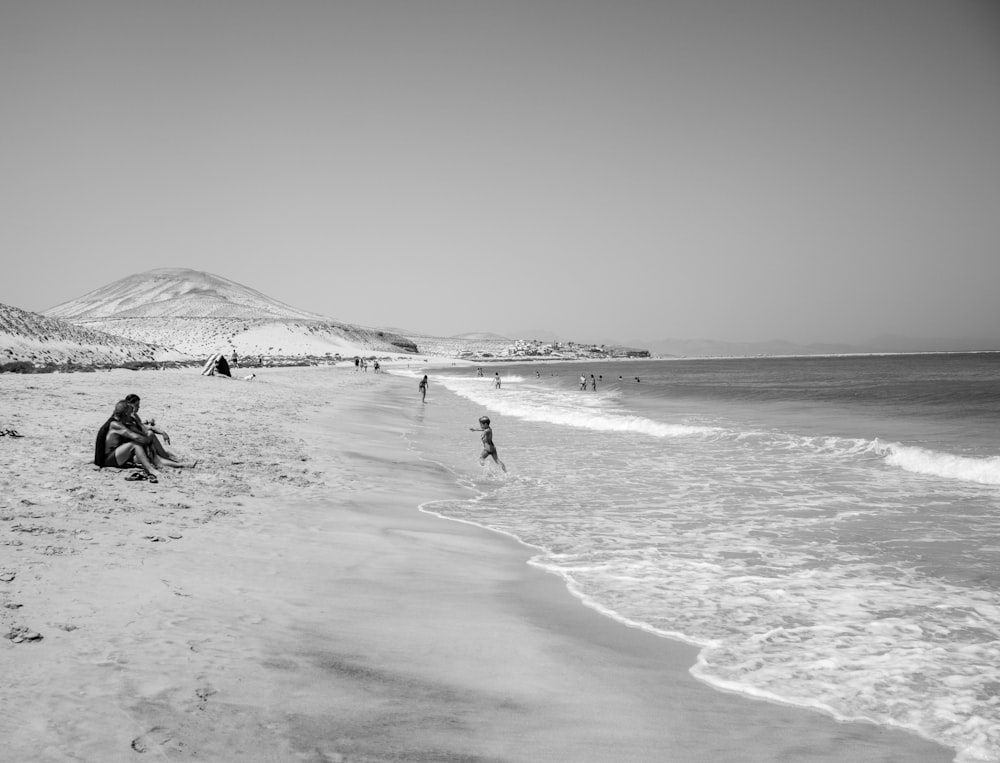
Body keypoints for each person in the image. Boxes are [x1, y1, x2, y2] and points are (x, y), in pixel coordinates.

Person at [124, 394, 194, 469]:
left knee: (150, 437)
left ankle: (167, 458)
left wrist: (159, 430)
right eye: (137, 405)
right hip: (131, 454)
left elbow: (141, 426)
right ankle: (174, 462)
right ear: (130, 405)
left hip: (134, 448)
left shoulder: (131, 416)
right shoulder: (128, 417)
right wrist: (162, 432)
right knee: (150, 438)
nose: (139, 407)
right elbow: (141, 429)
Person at [94, 401, 158, 479]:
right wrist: (149, 438)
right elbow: (136, 437)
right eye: (130, 413)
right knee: (135, 445)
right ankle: (151, 470)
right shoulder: (115, 425)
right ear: (126, 413)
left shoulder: (116, 421)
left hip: (113, 456)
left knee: (141, 456)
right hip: (107, 461)